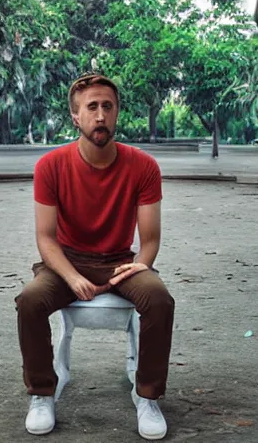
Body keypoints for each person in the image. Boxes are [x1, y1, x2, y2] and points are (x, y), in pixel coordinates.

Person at [15, 72, 175, 440]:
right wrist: (72, 277)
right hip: (65, 261)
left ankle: (147, 395)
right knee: (30, 300)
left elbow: (149, 238)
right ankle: (42, 393)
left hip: (122, 260)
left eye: (108, 106)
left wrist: (140, 266)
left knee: (159, 299)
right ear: (76, 116)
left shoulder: (143, 166)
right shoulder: (50, 166)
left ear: (118, 112)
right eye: (92, 108)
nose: (100, 115)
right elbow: (45, 237)